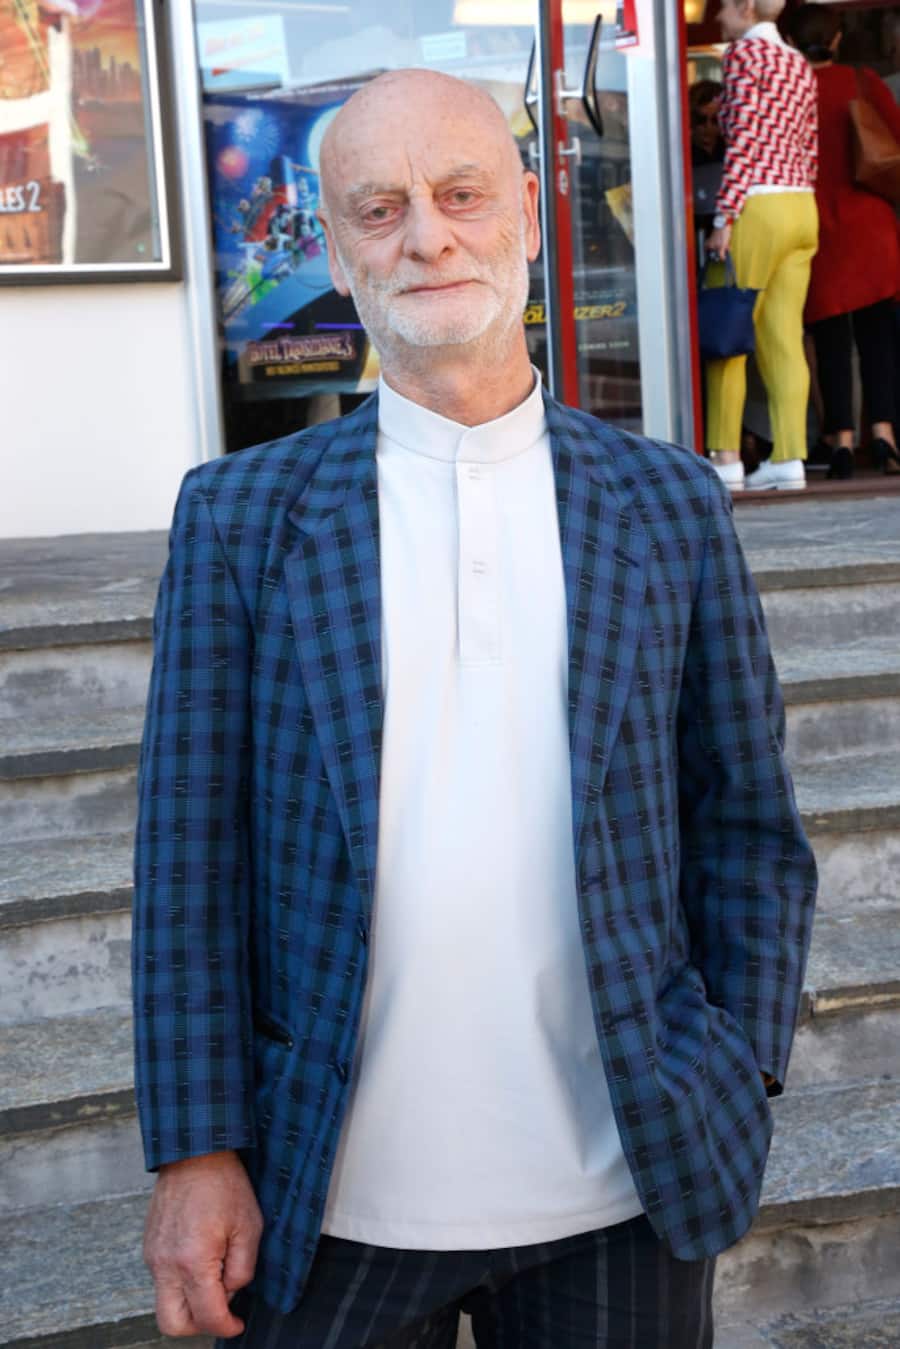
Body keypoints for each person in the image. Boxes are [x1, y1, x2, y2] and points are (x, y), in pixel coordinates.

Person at [133, 69, 817, 1349]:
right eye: (379, 210)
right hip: (325, 1196)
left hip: (625, 1186)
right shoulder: (241, 517)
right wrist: (195, 1147)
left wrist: (740, 1065)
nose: (426, 236)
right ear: (336, 252)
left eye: (460, 195)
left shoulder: (668, 504)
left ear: (527, 219)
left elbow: (749, 823)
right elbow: (186, 866)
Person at [705, 0, 819, 492]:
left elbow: (746, 139)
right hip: (801, 205)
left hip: (757, 205)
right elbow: (809, 144)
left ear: (746, 8)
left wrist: (724, 214)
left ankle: (726, 459)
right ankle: (790, 457)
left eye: (725, 7)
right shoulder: (798, 62)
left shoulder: (743, 57)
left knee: (726, 329)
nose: (718, 17)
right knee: (784, 338)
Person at [788, 4, 900, 479]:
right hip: (871, 228)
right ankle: (884, 437)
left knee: (831, 342)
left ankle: (840, 443)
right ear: (836, 40)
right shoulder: (862, 82)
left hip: (818, 229)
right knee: (880, 339)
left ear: (792, 42)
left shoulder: (790, 90)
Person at [689, 79, 726, 234]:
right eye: (701, 120)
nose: (708, 128)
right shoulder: (682, 156)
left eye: (715, 121)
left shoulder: (731, 152)